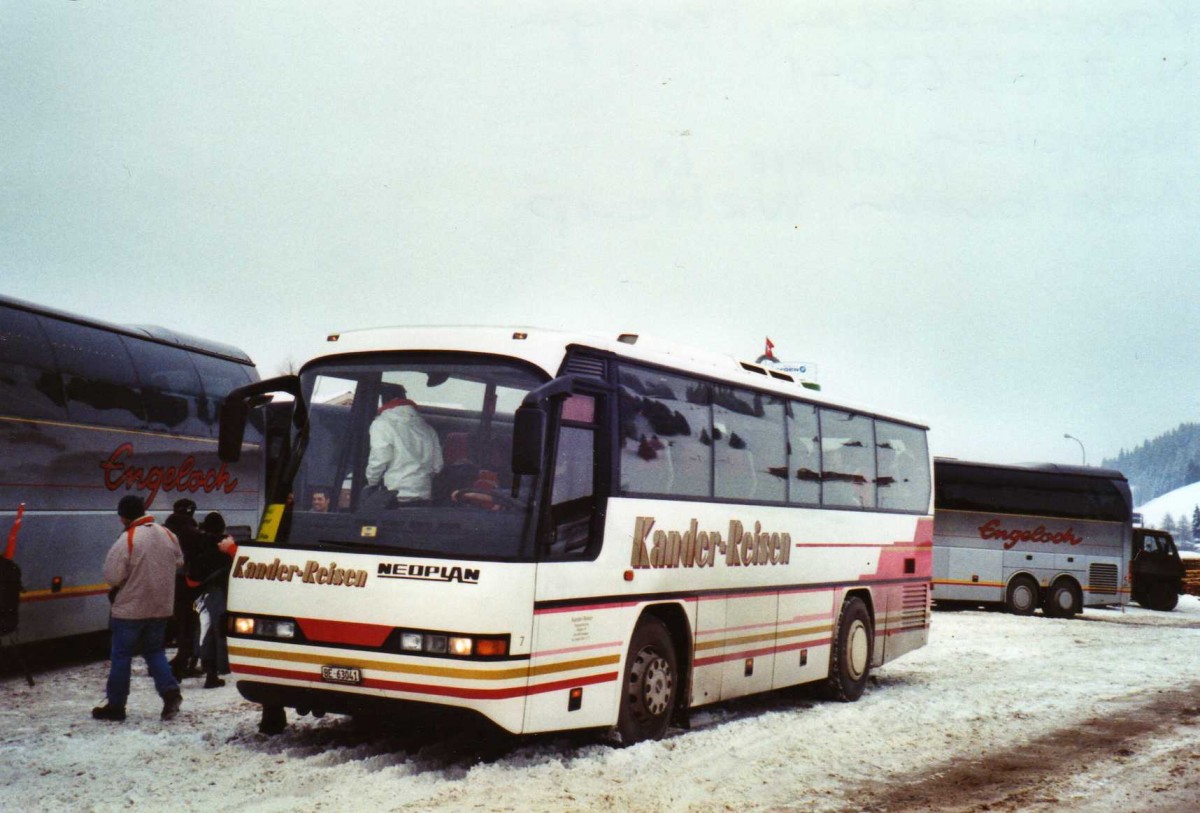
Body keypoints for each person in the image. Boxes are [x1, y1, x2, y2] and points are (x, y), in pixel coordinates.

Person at [93, 495, 184, 722]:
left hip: (130, 609)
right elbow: (179, 561)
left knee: (122, 656)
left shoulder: (128, 538)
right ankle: (170, 692)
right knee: (154, 652)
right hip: (161, 607)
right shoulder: (167, 534)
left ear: (124, 516)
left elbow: (112, 576)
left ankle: (116, 705)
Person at [364, 384, 443, 506]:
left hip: (393, 498)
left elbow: (379, 459)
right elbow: (437, 466)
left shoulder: (381, 424)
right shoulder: (428, 428)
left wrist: (371, 483)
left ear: (383, 400)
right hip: (424, 498)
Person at [186, 512, 235, 689]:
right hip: (222, 594)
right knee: (217, 633)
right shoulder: (227, 546)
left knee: (203, 632)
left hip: (201, 596)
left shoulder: (199, 545)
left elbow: (191, 577)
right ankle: (214, 673)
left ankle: (205, 669)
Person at [163, 498, 204, 679]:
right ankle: (182, 661)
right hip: (185, 582)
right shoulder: (191, 532)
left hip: (163, 581)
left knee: (169, 622)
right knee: (188, 622)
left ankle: (158, 662)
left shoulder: (163, 529)